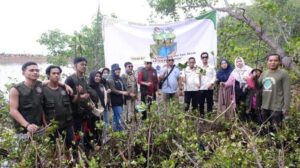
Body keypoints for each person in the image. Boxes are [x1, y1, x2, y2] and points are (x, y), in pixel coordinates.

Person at [65, 57, 98, 150]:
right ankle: (76, 155)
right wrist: (80, 95)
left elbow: (87, 92)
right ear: (75, 66)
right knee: (77, 135)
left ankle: (88, 151)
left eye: (85, 64)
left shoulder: (84, 78)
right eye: (82, 64)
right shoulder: (70, 80)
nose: (84, 66)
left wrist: (90, 100)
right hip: (75, 113)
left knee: (88, 132)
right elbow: (70, 100)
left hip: (85, 111)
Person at [42, 65, 74, 148]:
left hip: (67, 124)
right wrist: (46, 126)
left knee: (71, 147)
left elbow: (72, 101)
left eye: (58, 73)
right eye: (54, 73)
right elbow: (41, 110)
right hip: (52, 126)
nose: (56, 75)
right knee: (55, 149)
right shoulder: (43, 90)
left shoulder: (65, 89)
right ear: (48, 75)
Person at [9, 62, 44, 134]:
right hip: (23, 129)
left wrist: (65, 85)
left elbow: (51, 82)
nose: (35, 72)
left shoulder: (40, 85)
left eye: (37, 70)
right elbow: (13, 111)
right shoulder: (16, 89)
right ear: (23, 73)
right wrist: (27, 125)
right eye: (31, 70)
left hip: (39, 127)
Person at [258, 54, 291, 127]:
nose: (273, 62)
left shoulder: (283, 73)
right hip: (264, 106)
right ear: (267, 62)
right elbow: (258, 86)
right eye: (270, 60)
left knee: (276, 130)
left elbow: (287, 92)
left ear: (279, 62)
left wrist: (286, 107)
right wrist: (252, 78)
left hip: (277, 107)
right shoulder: (264, 73)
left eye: (275, 60)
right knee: (265, 128)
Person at [89, 70, 107, 144]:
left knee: (100, 127)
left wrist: (103, 107)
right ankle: (94, 144)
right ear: (92, 77)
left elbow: (105, 97)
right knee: (93, 128)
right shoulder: (89, 86)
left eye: (99, 76)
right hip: (92, 111)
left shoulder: (101, 86)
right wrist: (94, 109)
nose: (98, 78)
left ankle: (100, 142)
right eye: (96, 76)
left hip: (101, 110)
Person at [108, 63, 128, 131]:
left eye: (119, 69)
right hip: (115, 101)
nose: (118, 71)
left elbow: (124, 87)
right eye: (116, 70)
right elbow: (113, 90)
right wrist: (122, 92)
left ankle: (115, 130)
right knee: (119, 116)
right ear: (113, 70)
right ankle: (120, 131)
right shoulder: (111, 79)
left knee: (116, 116)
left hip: (121, 100)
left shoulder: (119, 78)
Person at [198, 52, 216, 118]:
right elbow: (197, 77)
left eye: (206, 57)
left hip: (209, 88)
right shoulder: (199, 67)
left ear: (207, 58)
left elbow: (214, 76)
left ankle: (209, 116)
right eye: (203, 57)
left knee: (210, 103)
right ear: (201, 58)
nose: (204, 58)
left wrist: (211, 83)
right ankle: (201, 116)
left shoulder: (211, 67)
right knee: (201, 103)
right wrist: (198, 84)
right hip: (201, 88)